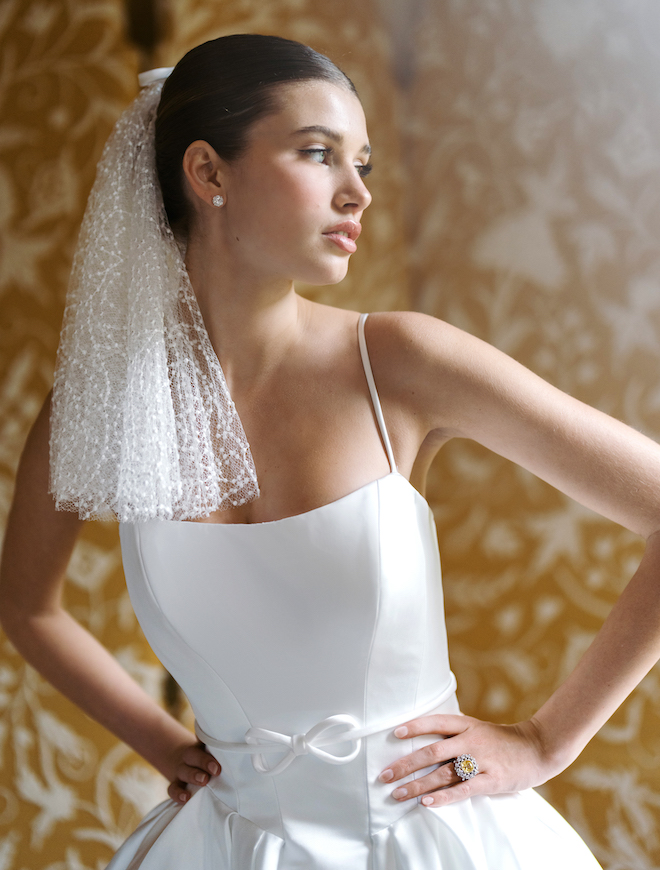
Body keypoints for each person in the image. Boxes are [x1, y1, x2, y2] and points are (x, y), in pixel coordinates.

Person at [1, 32, 660, 870]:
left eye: (366, 165)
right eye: (319, 154)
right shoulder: (102, 408)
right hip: (221, 845)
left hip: (433, 838)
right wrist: (165, 746)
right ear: (208, 174)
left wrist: (543, 742)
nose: (358, 194)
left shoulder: (400, 364)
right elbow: (28, 607)